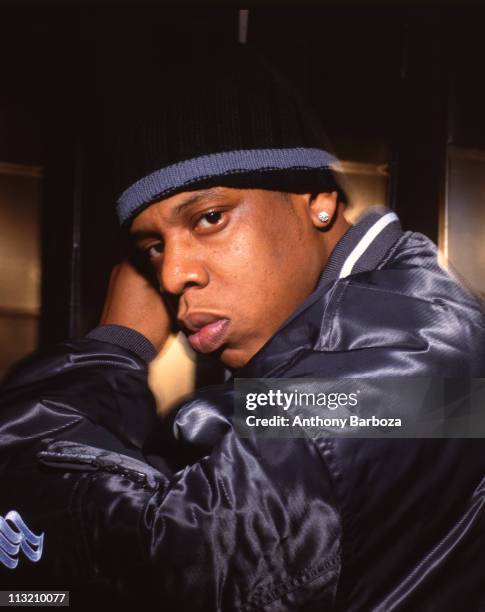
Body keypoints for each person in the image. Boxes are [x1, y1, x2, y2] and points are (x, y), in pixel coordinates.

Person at [0, 45, 484, 611]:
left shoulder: (416, 354)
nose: (174, 273)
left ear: (319, 201)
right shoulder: (342, 341)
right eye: (152, 247)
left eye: (210, 217)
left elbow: (174, 561)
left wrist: (112, 348)